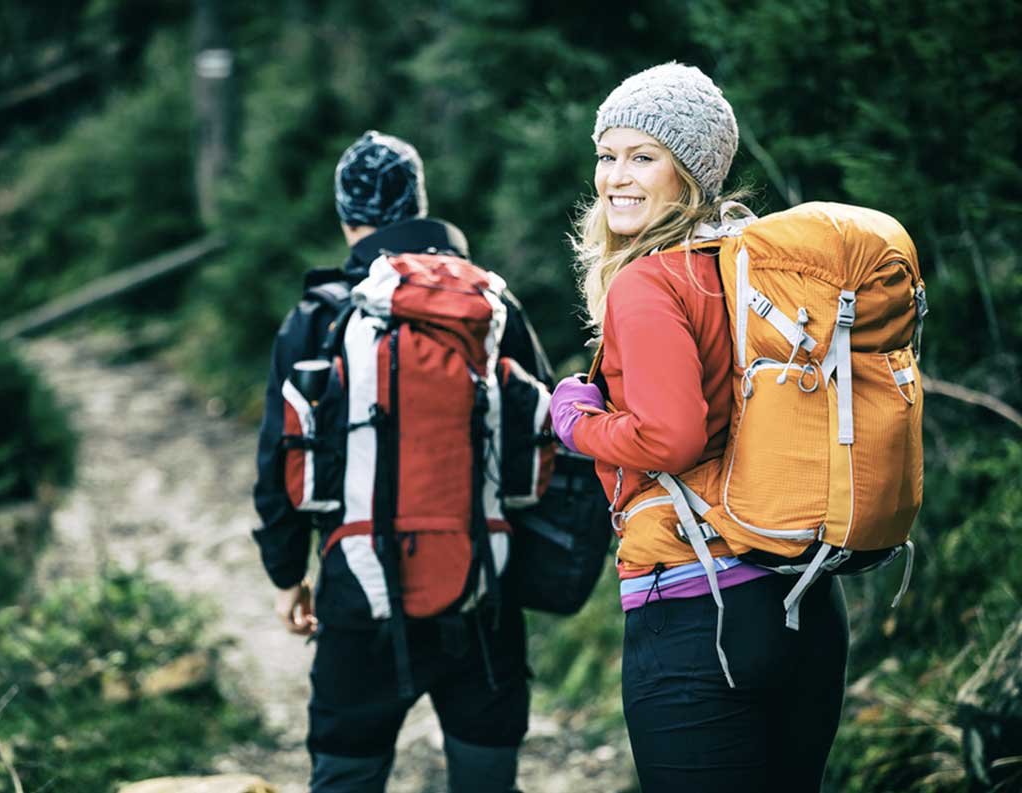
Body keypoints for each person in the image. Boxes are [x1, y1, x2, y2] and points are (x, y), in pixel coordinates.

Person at [548, 63, 849, 792]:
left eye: (642, 157)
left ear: (689, 173)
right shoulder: (759, 269)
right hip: (804, 602)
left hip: (698, 613)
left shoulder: (651, 282)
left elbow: (670, 438)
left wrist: (576, 423)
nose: (616, 177)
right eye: (607, 154)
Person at [253, 130, 552, 793]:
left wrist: (286, 575)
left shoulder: (319, 315)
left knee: (347, 773)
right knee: (486, 779)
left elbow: (278, 462)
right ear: (420, 203)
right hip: (485, 594)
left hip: (359, 592)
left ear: (345, 216)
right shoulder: (491, 307)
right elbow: (546, 439)